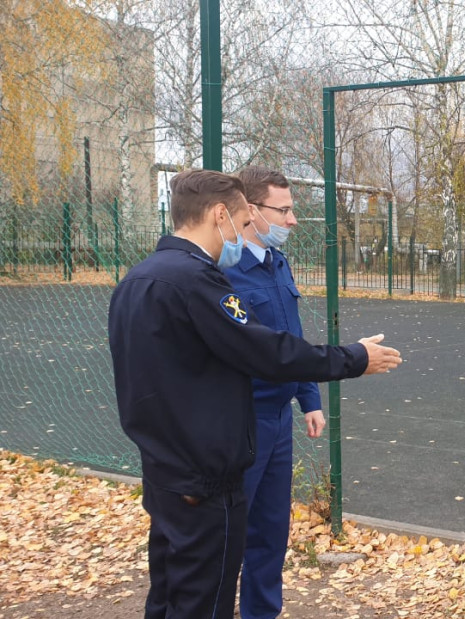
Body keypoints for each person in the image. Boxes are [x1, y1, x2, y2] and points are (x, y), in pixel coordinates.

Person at [108, 169, 402, 619]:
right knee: (205, 598)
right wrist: (355, 358)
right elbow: (269, 351)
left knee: (170, 591)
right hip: (204, 478)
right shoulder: (198, 283)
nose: (245, 235)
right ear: (220, 215)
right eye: (244, 224)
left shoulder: (137, 280)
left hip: (165, 469)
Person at [222, 166, 318, 618]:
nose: (292, 219)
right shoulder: (224, 271)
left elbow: (292, 339)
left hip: (278, 420)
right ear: (251, 211)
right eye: (284, 210)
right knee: (227, 535)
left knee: (271, 533)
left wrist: (308, 398)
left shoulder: (277, 263)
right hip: (242, 422)